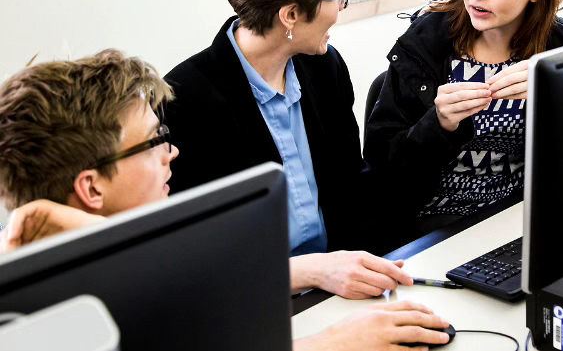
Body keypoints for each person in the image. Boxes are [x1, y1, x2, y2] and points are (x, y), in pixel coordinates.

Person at [0, 51, 451, 351]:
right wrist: (335, 343)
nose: (170, 152)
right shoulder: (51, 326)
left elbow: (178, 277)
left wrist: (316, 268)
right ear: (92, 188)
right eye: (153, 141)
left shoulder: (86, 263)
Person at [164, 0, 404, 290]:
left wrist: (381, 273)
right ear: (290, 15)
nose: (341, 9)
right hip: (257, 296)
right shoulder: (184, 100)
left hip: (340, 285)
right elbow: (198, 255)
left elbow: (352, 187)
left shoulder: (325, 67)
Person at [363, 0, 563, 236]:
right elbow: (381, 170)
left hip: (520, 218)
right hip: (434, 228)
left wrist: (554, 93)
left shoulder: (558, 47)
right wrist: (438, 125)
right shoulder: (424, 47)